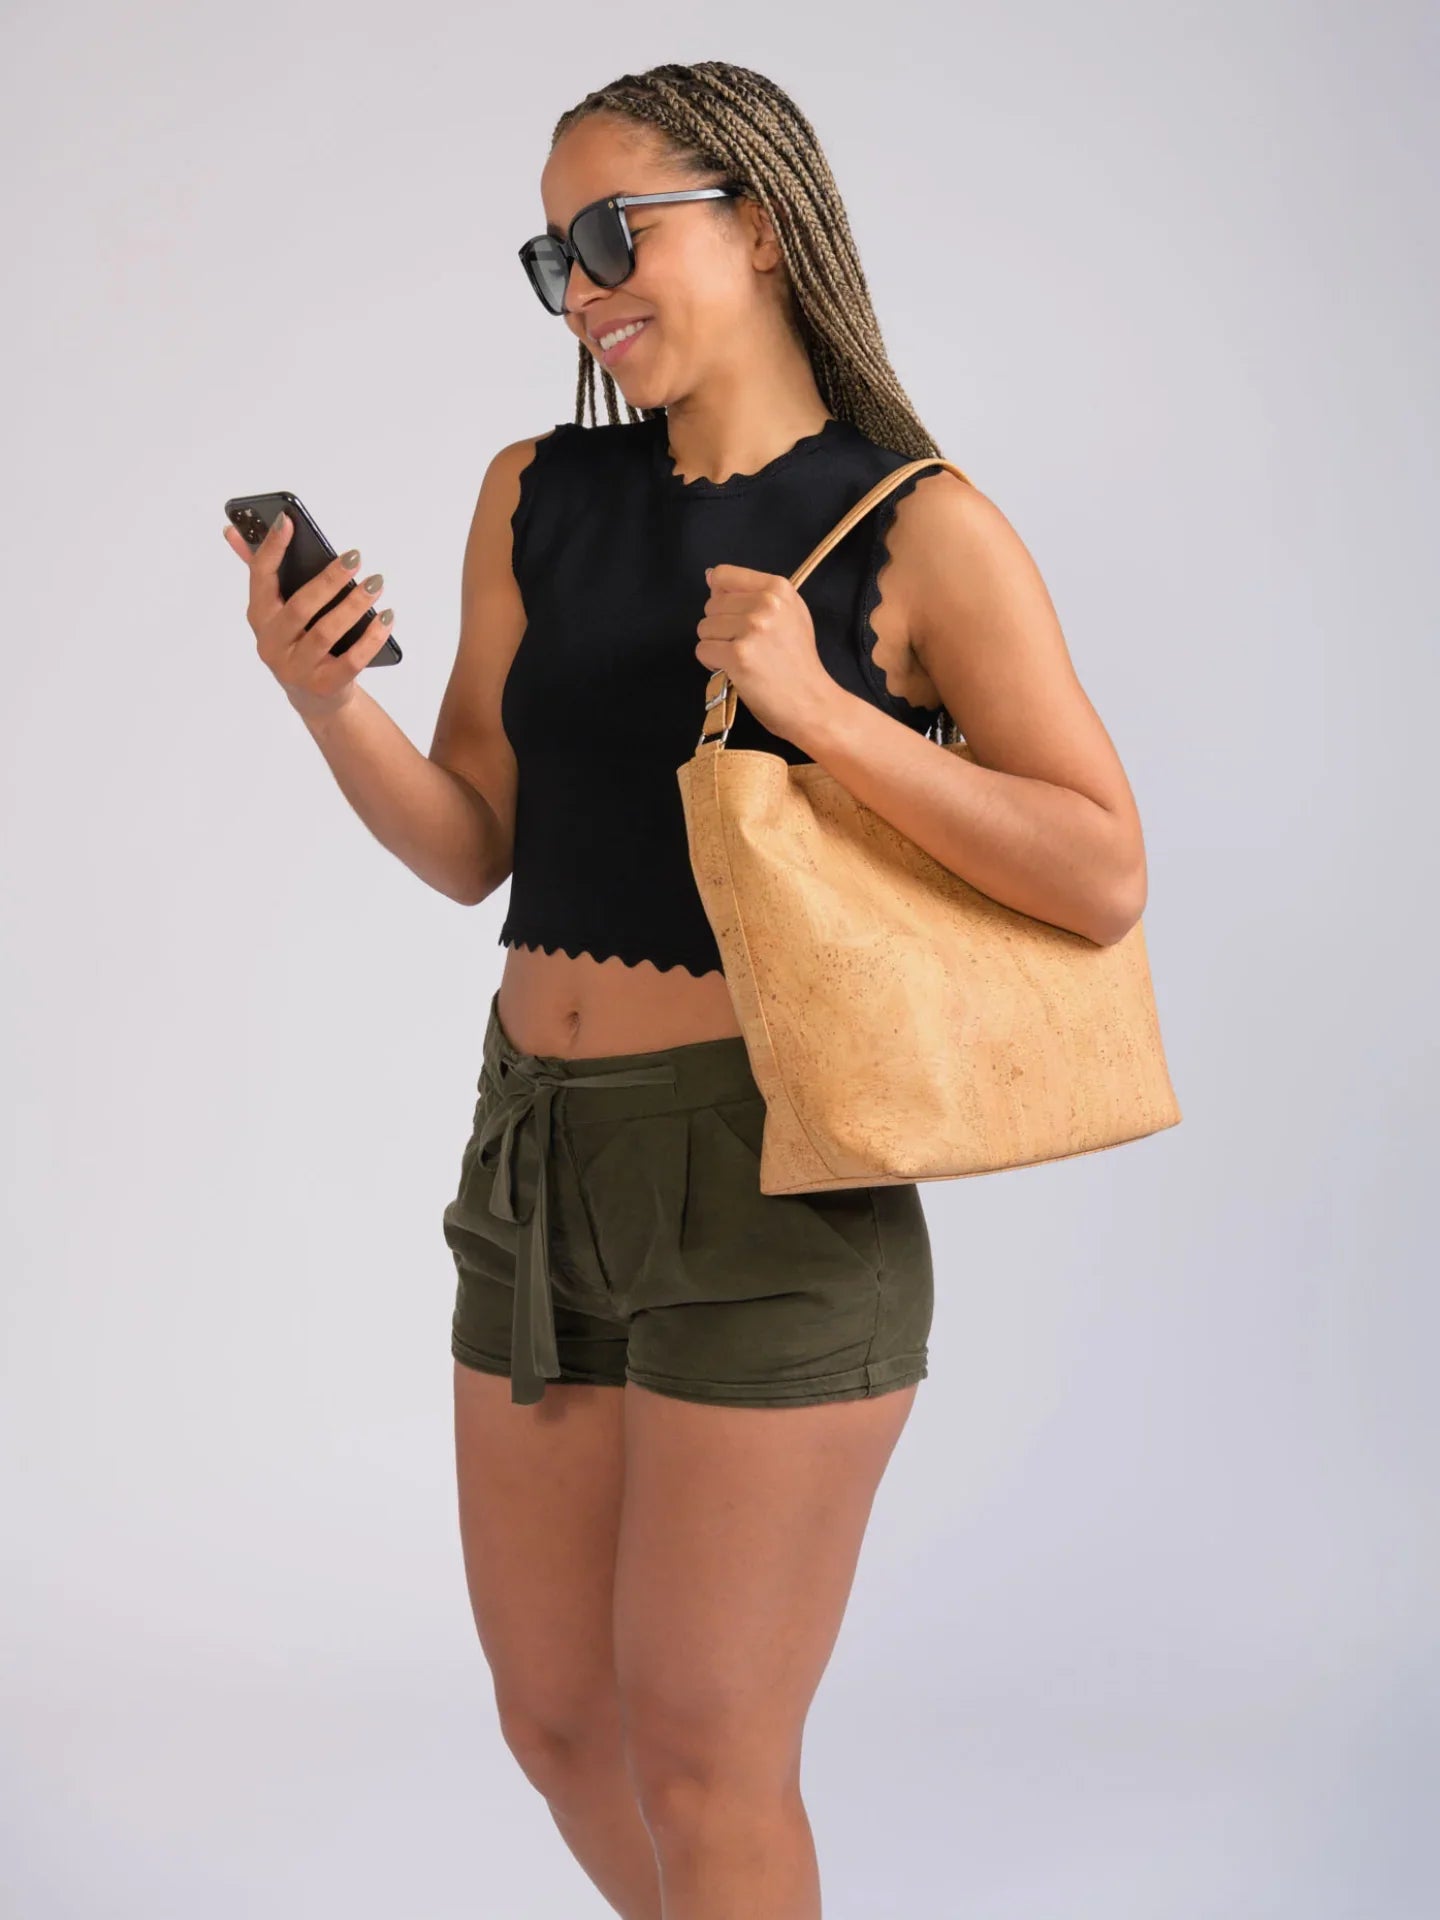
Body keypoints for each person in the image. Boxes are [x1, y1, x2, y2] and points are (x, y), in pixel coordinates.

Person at [224, 58, 1147, 1920]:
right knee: (559, 1720)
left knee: (709, 1756)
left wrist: (819, 713)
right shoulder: (534, 495)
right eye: (551, 255)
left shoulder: (916, 523)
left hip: (767, 1183)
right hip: (536, 1162)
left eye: (611, 234)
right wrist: (330, 702)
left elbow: (1101, 869)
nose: (581, 291)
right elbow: (474, 837)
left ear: (765, 222)